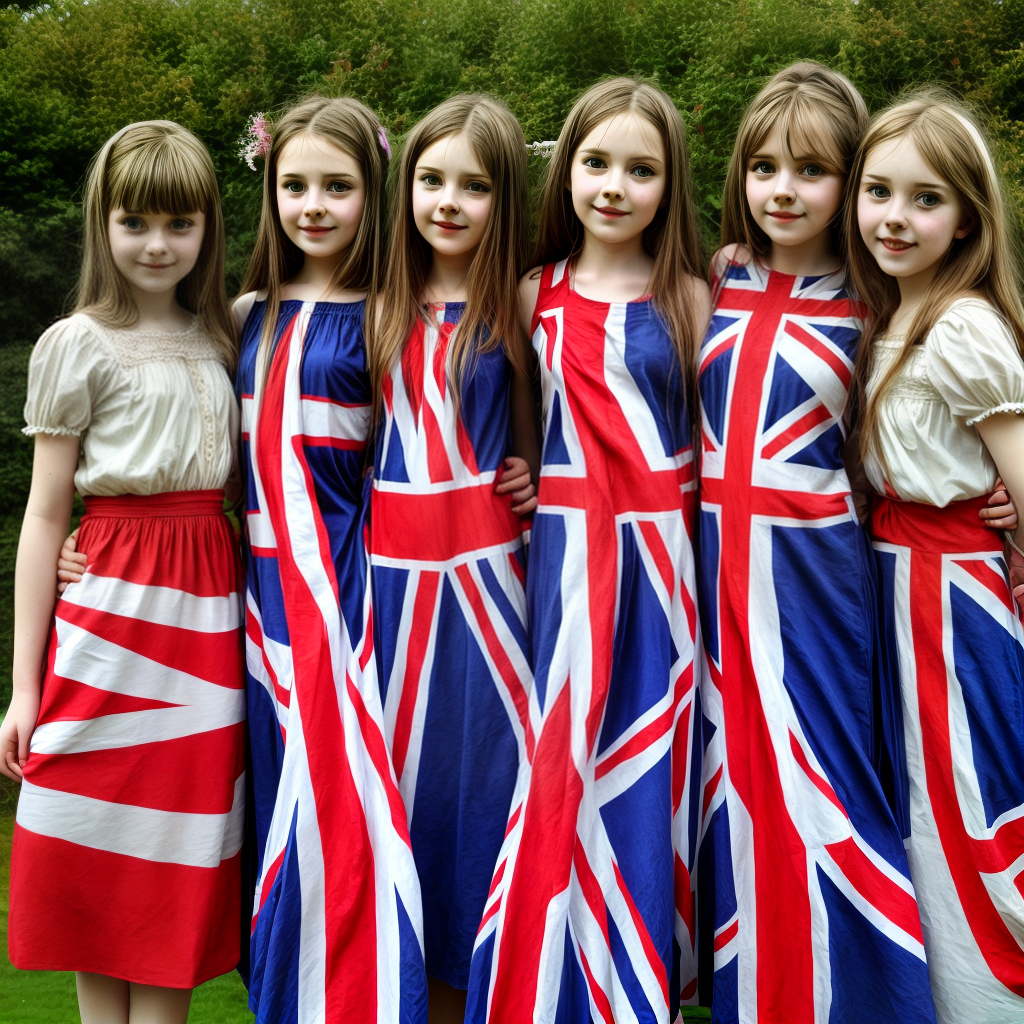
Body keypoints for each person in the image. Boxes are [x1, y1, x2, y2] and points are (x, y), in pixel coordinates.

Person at [695, 63, 940, 1023]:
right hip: (715, 583)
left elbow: (932, 429)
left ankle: (872, 1000)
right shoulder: (720, 279)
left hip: (819, 589)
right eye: (764, 167)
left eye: (811, 170)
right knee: (736, 797)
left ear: (850, 180)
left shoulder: (878, 302)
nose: (783, 190)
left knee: (830, 792)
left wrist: (993, 498)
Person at [465, 77, 708, 1024]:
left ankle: (644, 985)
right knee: (562, 770)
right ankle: (551, 988)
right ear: (566, 169)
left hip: (665, 576)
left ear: (669, 183)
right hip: (563, 574)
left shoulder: (696, 293)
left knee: (652, 776)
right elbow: (522, 435)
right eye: (597, 163)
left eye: (641, 169)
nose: (614, 186)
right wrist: (526, 473)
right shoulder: (532, 291)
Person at [1, 120, 244, 1024]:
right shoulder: (76, 343)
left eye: (179, 224)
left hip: (205, 626)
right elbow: (45, 516)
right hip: (105, 621)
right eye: (134, 221)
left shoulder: (224, 333)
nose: (156, 243)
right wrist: (24, 690)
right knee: (92, 862)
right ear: (102, 223)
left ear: (207, 230)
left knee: (174, 867)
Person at [232, 96, 427, 1023]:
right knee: (276, 798)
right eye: (295, 184)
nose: (313, 205)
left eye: (337, 187)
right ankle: (281, 988)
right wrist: (93, 530)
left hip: (346, 593)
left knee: (341, 802)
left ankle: (357, 994)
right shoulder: (240, 316)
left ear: (372, 194)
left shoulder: (391, 317)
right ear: (269, 191)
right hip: (256, 601)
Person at [847, 93, 1024, 1024]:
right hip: (891, 591)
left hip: (954, 607)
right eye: (879, 191)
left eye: (925, 200)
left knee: (963, 808)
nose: (895, 217)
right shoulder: (883, 316)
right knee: (909, 805)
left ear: (966, 221)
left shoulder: (962, 325)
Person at [367, 93, 537, 1023]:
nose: (449, 201)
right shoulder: (375, 301)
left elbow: (543, 442)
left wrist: (536, 485)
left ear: (503, 198)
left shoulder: (519, 302)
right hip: (385, 599)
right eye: (432, 179)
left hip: (486, 600)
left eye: (474, 186)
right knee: (402, 822)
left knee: (483, 812)